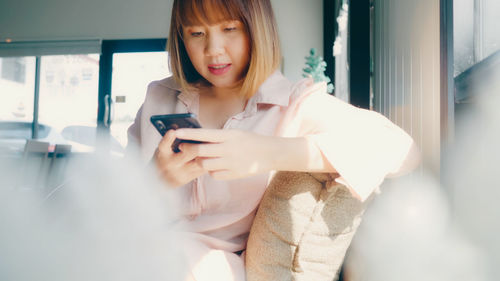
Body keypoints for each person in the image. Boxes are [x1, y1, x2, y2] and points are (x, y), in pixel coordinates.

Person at [127, 0, 420, 280]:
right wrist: (155, 179)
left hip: (211, 266)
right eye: (197, 33)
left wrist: (267, 153)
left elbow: (403, 150)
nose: (213, 50)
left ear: (257, 28)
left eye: (229, 28)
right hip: (136, 249)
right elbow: (116, 200)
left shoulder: (292, 103)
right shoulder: (159, 97)